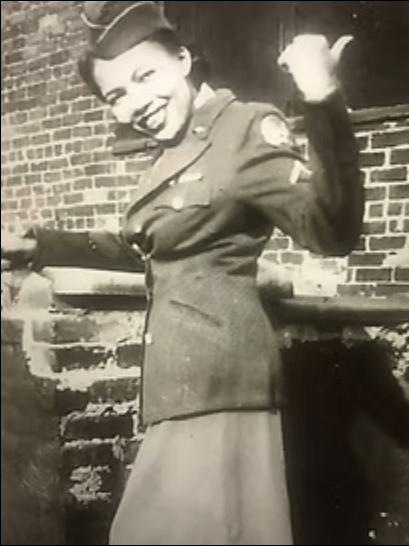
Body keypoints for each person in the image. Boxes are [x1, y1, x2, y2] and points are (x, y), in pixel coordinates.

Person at [1, 1, 365, 544]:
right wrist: (40, 246)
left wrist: (322, 98)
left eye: (145, 76)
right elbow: (146, 247)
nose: (135, 104)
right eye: (116, 95)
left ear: (183, 59)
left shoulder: (243, 129)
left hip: (222, 387)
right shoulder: (174, 152)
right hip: (181, 390)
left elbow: (331, 231)